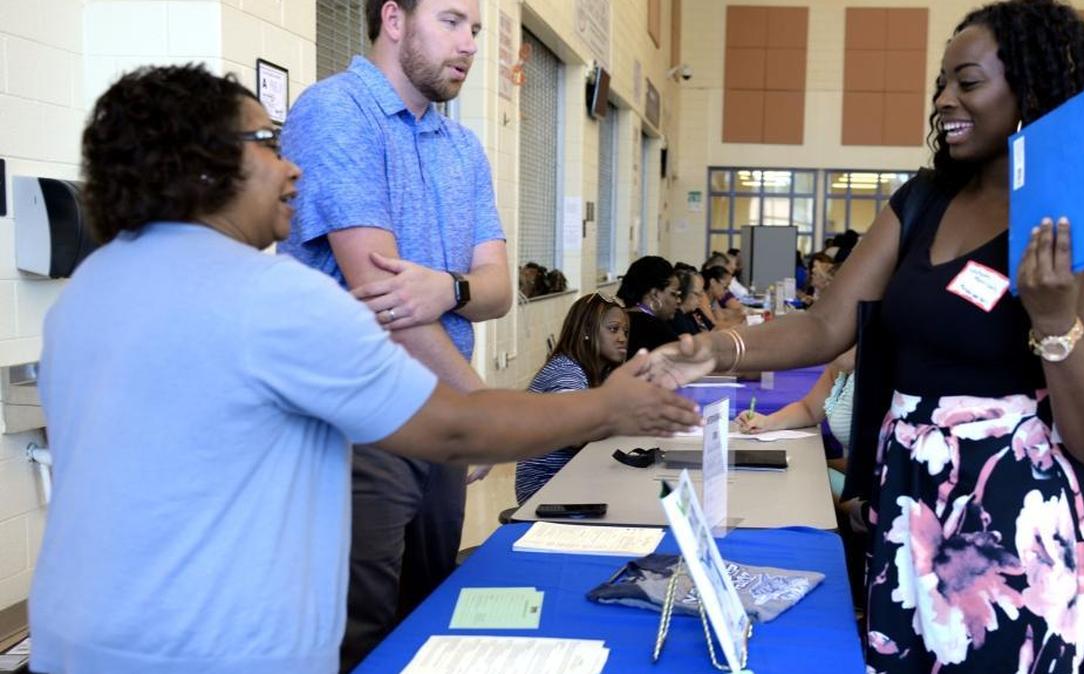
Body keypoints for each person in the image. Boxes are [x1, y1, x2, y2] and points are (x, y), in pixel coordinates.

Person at [28, 64, 701, 674]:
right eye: (266, 142)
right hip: (213, 652)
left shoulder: (88, 291)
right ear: (202, 167)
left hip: (74, 642)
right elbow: (453, 430)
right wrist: (608, 407)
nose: (293, 168)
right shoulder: (270, 297)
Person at [647, 1, 1084, 670]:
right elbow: (826, 325)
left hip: (1026, 541)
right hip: (914, 505)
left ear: (1033, 86)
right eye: (941, 83)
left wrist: (1055, 322)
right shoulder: (923, 200)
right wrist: (713, 351)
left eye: (967, 82)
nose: (944, 101)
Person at [278, 0, 511, 666]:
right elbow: (382, 299)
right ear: (394, 19)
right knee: (361, 635)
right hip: (361, 422)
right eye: (451, 21)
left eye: (475, 30)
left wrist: (452, 288)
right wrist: (479, 409)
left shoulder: (461, 145)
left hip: (433, 418)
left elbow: (497, 291)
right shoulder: (336, 112)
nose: (468, 44)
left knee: (430, 613)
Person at [515, 293, 629, 503]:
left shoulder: (598, 372)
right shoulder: (566, 371)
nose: (622, 337)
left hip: (574, 480)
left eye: (625, 331)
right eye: (613, 329)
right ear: (586, 331)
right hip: (547, 490)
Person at [617, 255, 681, 356]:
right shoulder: (659, 332)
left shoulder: (615, 322)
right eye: (674, 294)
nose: (678, 300)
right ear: (654, 294)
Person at [670, 268, 711, 335]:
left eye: (701, 293)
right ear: (683, 292)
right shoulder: (676, 317)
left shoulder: (695, 312)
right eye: (697, 294)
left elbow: (712, 330)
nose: (700, 298)